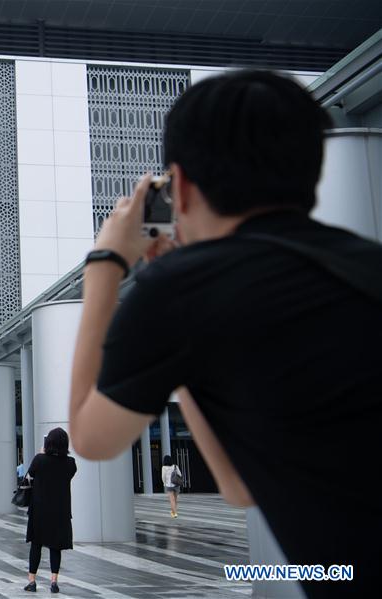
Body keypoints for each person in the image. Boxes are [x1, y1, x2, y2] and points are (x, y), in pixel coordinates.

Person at [67, 70, 382, 599]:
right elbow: (238, 484)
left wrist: (106, 262)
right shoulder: (365, 263)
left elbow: (91, 437)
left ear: (182, 186)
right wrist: (181, 354)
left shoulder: (183, 288)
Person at [23, 427, 76, 594]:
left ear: (48, 443)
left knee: (36, 545)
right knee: (56, 547)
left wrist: (42, 453)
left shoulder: (40, 460)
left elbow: (29, 475)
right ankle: (54, 581)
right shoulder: (70, 463)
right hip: (60, 512)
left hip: (39, 511)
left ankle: (32, 581)